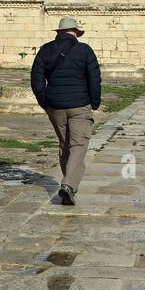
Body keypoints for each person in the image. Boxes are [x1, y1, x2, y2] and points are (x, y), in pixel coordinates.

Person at [30, 16, 100, 205]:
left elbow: (36, 79)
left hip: (55, 106)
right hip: (79, 105)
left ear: (58, 32)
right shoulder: (84, 50)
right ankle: (68, 185)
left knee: (64, 145)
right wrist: (94, 102)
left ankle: (68, 184)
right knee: (78, 145)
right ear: (75, 32)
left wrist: (45, 101)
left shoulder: (46, 50)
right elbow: (94, 78)